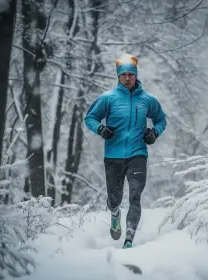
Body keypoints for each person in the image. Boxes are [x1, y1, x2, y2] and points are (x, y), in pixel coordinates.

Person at [84, 54, 166, 249]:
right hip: (113, 156)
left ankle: (129, 239)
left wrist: (154, 132)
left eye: (131, 74)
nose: (128, 78)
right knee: (115, 198)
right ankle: (114, 213)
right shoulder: (108, 98)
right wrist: (101, 129)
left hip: (138, 154)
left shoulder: (147, 100)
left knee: (135, 196)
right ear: (118, 77)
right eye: (124, 75)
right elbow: (90, 118)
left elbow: (161, 119)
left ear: (136, 75)